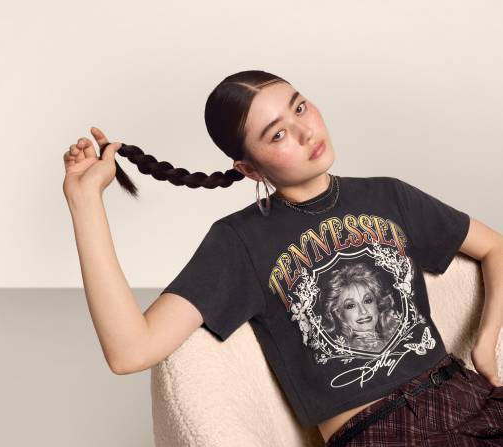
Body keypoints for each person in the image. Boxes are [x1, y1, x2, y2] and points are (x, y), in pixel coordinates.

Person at [61, 70, 503, 445]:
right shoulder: (240, 241)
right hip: (382, 429)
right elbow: (130, 350)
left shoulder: (390, 196)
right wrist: (85, 202)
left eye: (300, 107)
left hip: (467, 393)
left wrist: (485, 342)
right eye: (277, 133)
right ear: (250, 169)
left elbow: (495, 247)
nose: (305, 130)